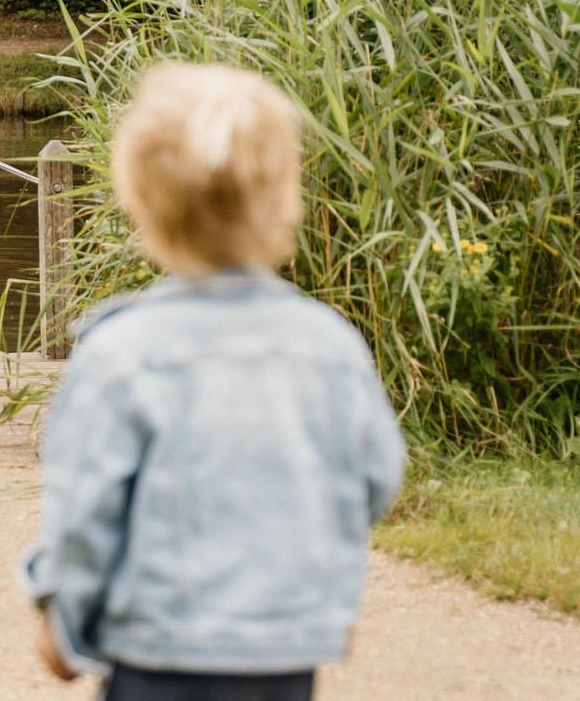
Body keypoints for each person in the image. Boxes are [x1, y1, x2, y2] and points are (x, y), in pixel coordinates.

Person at [24, 62, 405, 701]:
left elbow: (85, 511)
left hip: (154, 653)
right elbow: (375, 476)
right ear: (287, 198)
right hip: (282, 655)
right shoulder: (330, 346)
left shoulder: (121, 354)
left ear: (138, 204)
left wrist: (63, 617)